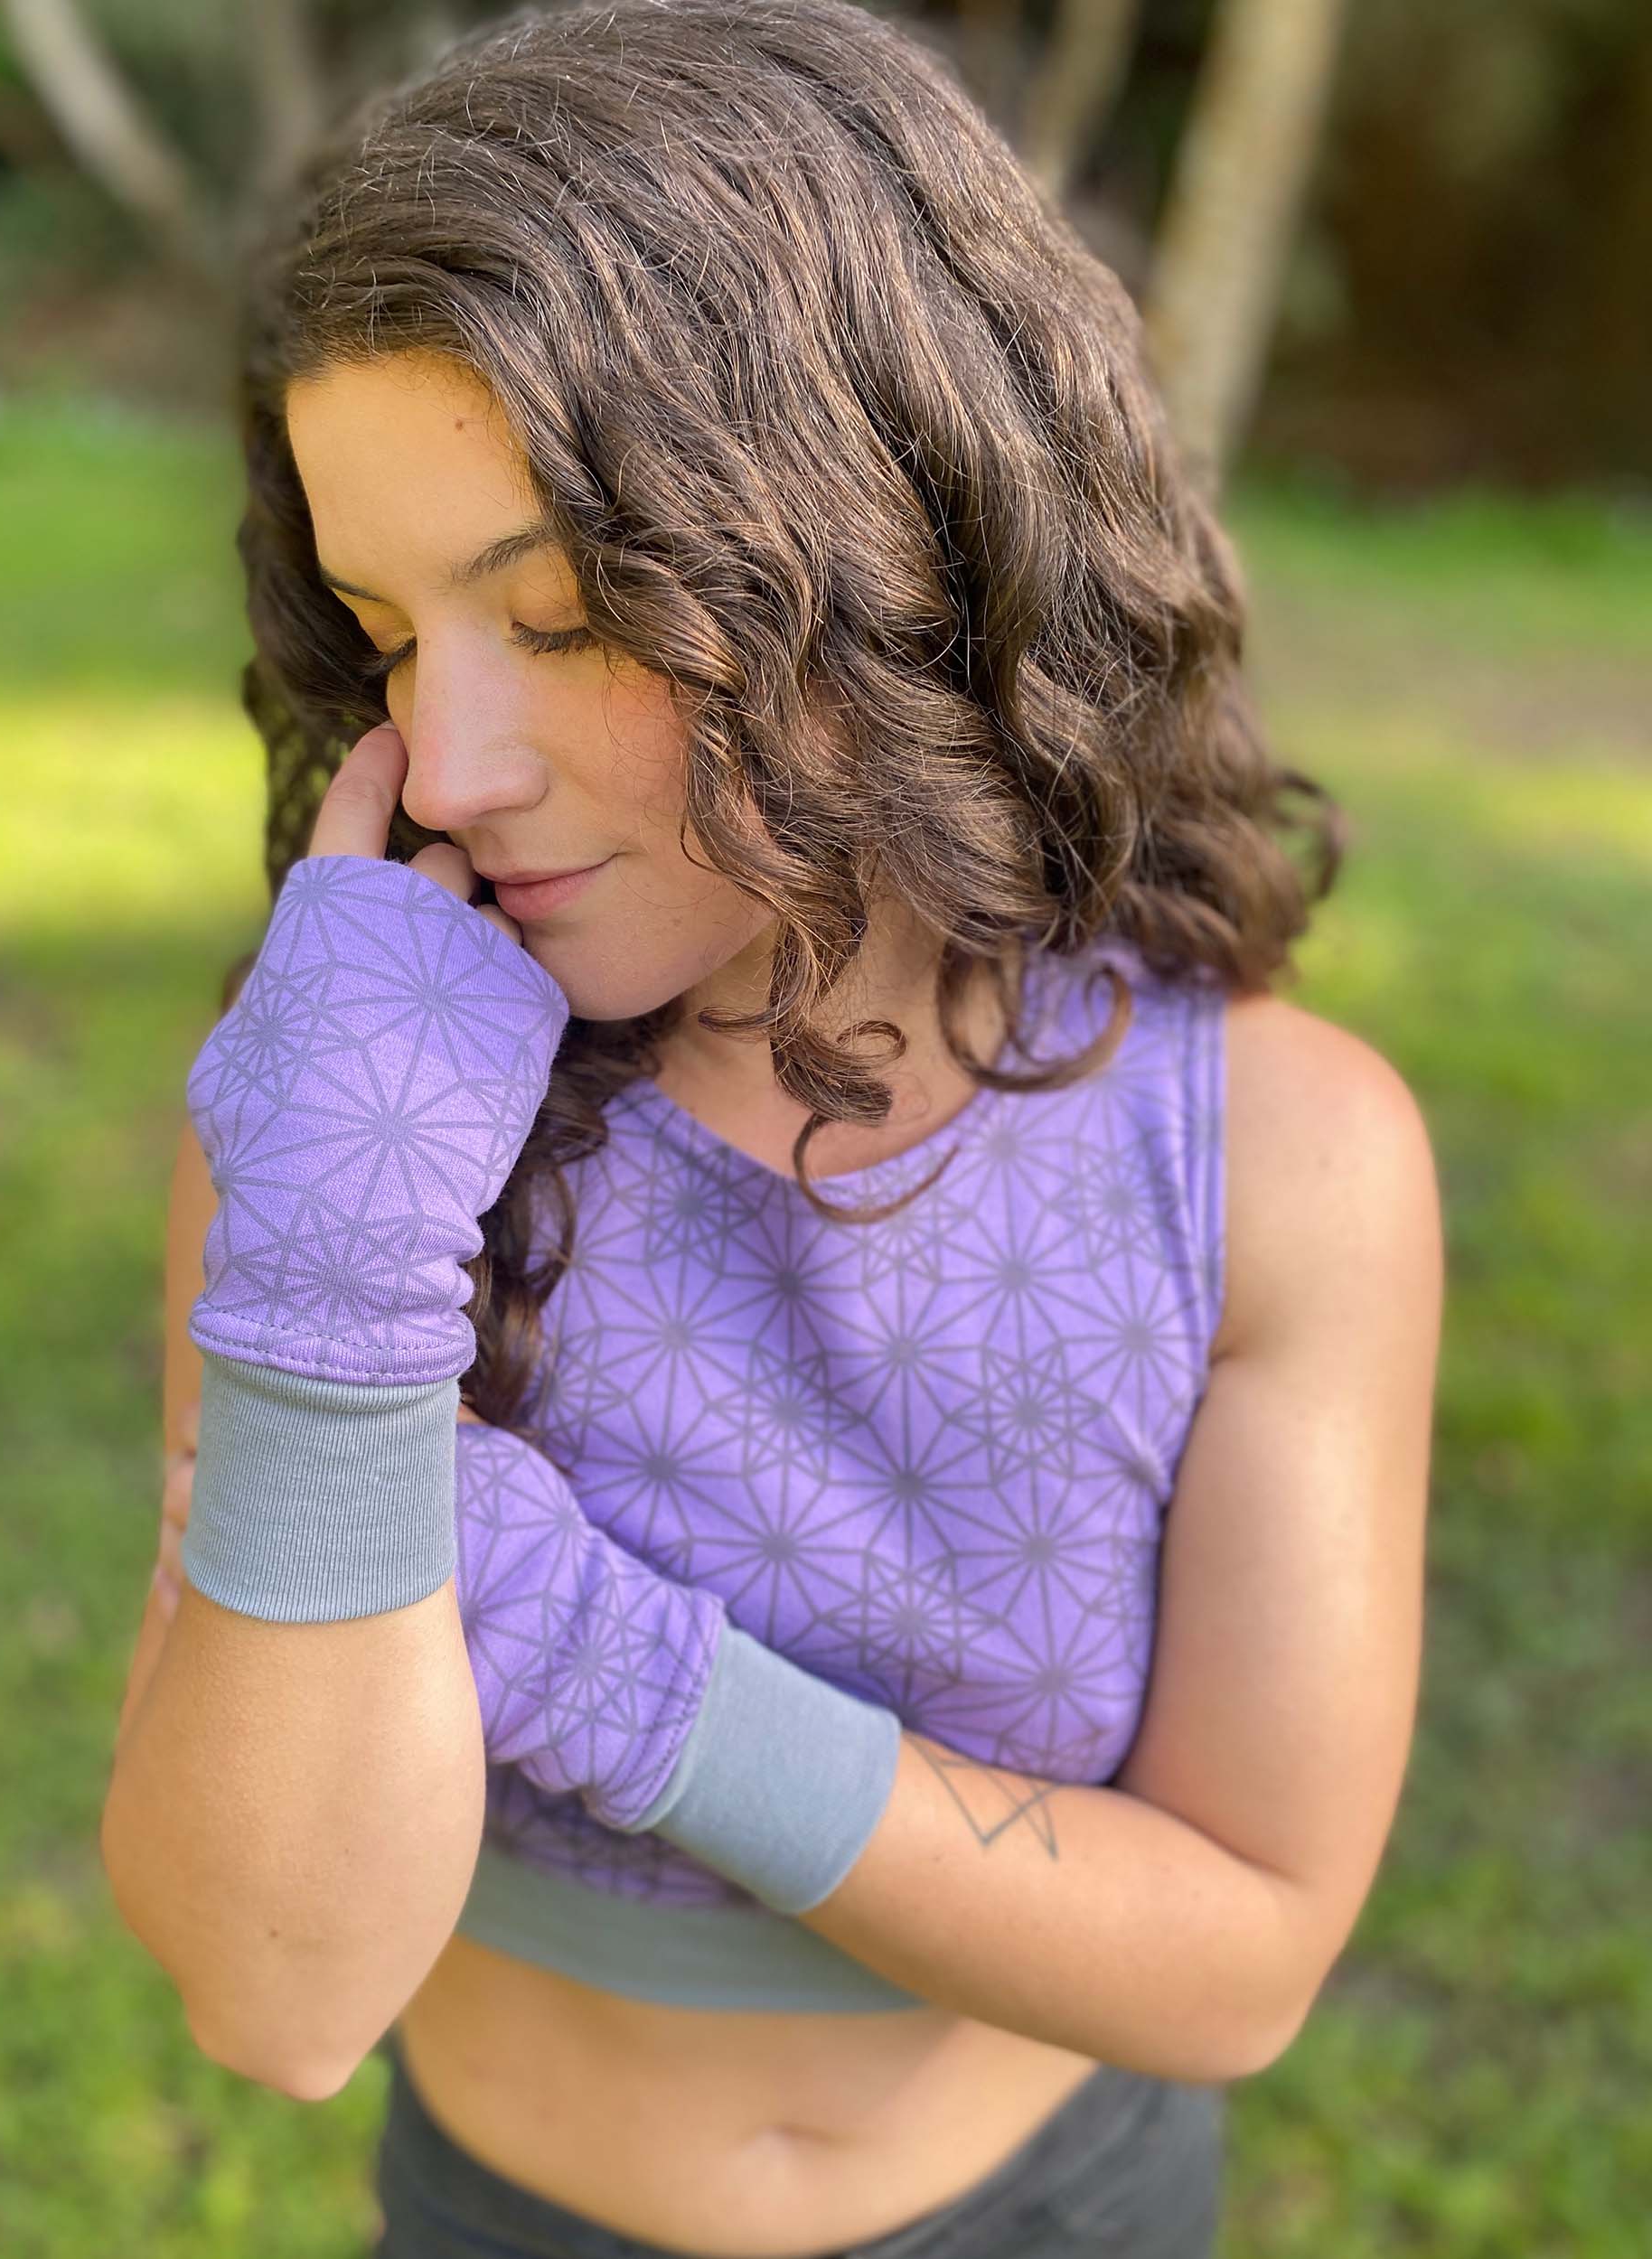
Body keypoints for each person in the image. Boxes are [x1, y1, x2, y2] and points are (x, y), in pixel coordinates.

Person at [100, 2, 1445, 2254]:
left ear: (890, 535)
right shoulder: (354, 1125)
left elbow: (1242, 1957)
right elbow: (273, 1985)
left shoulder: (1269, 1160)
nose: (445, 764)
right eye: (384, 632)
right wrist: (331, 1305)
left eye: (558, 612)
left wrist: (611, 1667)